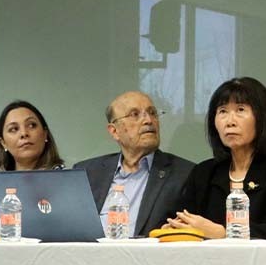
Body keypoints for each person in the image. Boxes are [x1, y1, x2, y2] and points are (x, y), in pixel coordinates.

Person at [165, 77, 266, 240]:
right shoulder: (203, 173)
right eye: (223, 111)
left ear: (262, 118)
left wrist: (223, 233)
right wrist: (174, 226)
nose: (230, 122)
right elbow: (182, 218)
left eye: (240, 110)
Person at [73, 91, 194, 238]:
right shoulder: (87, 172)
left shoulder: (185, 174)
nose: (148, 120)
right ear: (114, 131)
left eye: (152, 113)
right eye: (135, 114)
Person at [0, 100, 65, 239]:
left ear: (45, 134)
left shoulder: (64, 181)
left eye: (32, 125)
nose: (24, 133)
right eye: (13, 129)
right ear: (3, 142)